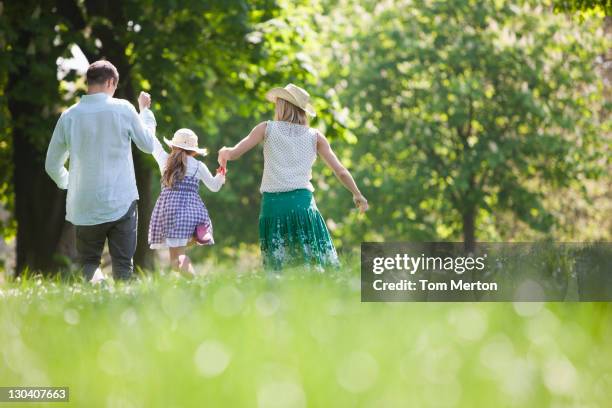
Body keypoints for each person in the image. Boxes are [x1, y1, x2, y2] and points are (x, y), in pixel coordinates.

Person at [218, 83, 368, 271]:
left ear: (282, 105)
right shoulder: (315, 137)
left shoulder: (266, 128)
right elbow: (341, 171)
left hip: (274, 207)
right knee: (313, 266)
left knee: (280, 271)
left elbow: (233, 153)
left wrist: (224, 153)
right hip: (302, 206)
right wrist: (357, 194)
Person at [45, 60, 156, 281]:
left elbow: (51, 165)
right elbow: (148, 144)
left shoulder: (69, 116)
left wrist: (70, 183)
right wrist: (145, 112)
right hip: (121, 201)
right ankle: (123, 311)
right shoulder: (123, 108)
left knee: (88, 264)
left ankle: (95, 298)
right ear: (111, 82)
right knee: (123, 265)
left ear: (89, 82)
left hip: (84, 203)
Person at [148, 128, 225, 277]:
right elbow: (214, 187)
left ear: (172, 146)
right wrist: (221, 173)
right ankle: (193, 281)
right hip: (191, 215)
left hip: (169, 214)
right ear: (194, 151)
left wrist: (144, 112)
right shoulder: (198, 166)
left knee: (177, 260)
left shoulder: (165, 160)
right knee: (177, 259)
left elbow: (152, 142)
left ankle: (195, 282)